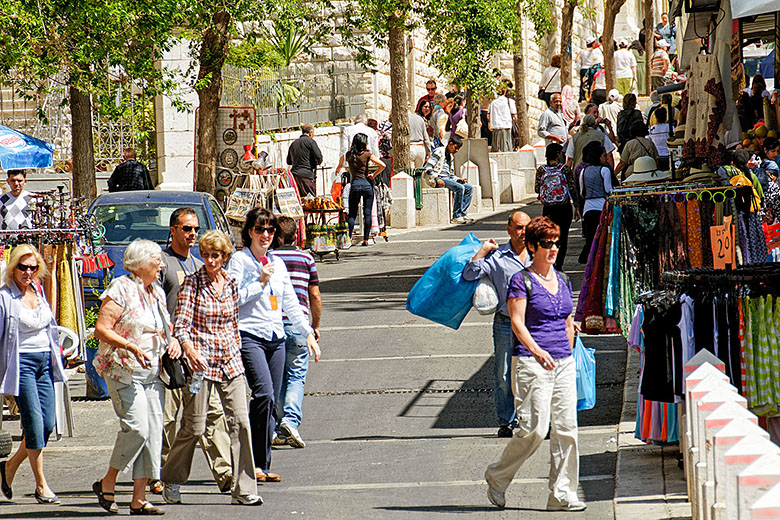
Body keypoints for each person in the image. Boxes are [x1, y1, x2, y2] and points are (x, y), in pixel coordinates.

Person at [484, 216, 585, 512]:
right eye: (545, 244)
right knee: (535, 430)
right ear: (531, 246)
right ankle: (498, 477)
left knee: (567, 429)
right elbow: (516, 322)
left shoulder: (563, 279)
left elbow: (567, 318)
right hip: (531, 362)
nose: (552, 249)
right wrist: (538, 351)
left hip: (563, 362)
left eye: (555, 243)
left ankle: (561, 493)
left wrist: (568, 346)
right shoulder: (521, 280)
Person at [161, 231, 262, 506]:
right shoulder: (192, 284)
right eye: (205, 255)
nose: (209, 260)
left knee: (241, 423)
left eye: (215, 255)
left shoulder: (230, 284)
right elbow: (180, 325)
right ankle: (171, 477)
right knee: (193, 427)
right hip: (201, 365)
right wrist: (190, 351)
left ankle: (243, 489)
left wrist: (239, 354)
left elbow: (232, 324)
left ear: (225, 256)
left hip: (230, 362)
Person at [226, 208, 320, 484]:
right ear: (249, 232)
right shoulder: (240, 262)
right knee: (265, 395)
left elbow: (290, 302)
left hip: (276, 337)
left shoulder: (277, 263)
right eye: (259, 229)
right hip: (250, 335)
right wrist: (259, 282)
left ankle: (261, 465)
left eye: (270, 230)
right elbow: (233, 299)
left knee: (271, 402)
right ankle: (251, 461)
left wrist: (308, 333)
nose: (265, 235)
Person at [93, 239, 180, 515]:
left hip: (154, 372)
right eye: (157, 260)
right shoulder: (121, 288)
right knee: (138, 428)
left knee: (153, 433)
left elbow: (162, 327)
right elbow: (101, 329)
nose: (162, 265)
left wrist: (172, 341)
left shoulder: (155, 290)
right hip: (125, 370)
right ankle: (108, 480)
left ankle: (138, 498)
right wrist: (130, 345)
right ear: (141, 263)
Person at [158, 207, 232, 496]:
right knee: (168, 418)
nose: (192, 234)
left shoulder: (199, 265)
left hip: (199, 356)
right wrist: (168, 339)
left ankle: (224, 473)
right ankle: (162, 474)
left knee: (211, 414)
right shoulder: (164, 263)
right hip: (171, 354)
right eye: (186, 228)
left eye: (195, 229)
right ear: (173, 229)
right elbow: (156, 305)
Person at [0, 245, 65, 505]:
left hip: (44, 363)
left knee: (48, 425)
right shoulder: (5, 297)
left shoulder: (38, 290)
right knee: (35, 425)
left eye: (33, 267)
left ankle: (8, 468)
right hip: (21, 364)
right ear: (13, 268)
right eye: (22, 267)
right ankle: (41, 485)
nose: (28, 272)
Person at [463, 211, 532, 438]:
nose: (523, 232)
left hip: (535, 324)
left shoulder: (538, 253)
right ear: (509, 230)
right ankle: (507, 421)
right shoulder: (497, 257)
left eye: (526, 227)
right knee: (504, 374)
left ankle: (538, 420)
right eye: (519, 228)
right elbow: (470, 273)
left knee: (536, 372)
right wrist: (482, 251)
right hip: (505, 323)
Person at [270, 217, 321, 448]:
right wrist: (315, 325)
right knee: (296, 376)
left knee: (277, 378)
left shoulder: (269, 259)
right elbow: (315, 295)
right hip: (299, 325)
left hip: (273, 325)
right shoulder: (306, 258)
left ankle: (276, 424)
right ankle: (290, 420)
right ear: (296, 234)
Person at [536, 143, 580, 270]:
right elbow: (572, 189)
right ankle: (559, 265)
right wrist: (577, 207)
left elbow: (536, 188)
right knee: (563, 236)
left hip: (548, 208)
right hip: (564, 208)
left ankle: (550, 262)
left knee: (549, 234)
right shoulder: (565, 169)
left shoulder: (541, 170)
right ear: (557, 154)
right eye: (561, 152)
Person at [345, 133, 385, 246]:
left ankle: (348, 239)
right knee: (367, 213)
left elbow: (341, 165)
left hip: (355, 185)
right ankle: (366, 240)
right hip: (367, 185)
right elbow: (383, 165)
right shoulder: (367, 155)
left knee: (352, 214)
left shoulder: (349, 155)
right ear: (364, 143)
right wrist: (374, 174)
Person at [423, 135, 474, 224]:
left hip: (447, 179)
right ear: (450, 144)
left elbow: (451, 174)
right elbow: (428, 167)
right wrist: (436, 179)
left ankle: (462, 212)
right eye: (455, 147)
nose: (456, 150)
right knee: (460, 188)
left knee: (469, 188)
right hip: (438, 179)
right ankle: (456, 216)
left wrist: (458, 180)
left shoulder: (451, 157)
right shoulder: (439, 151)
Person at [578, 142, 614, 264]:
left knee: (590, 236)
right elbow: (608, 190)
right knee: (602, 236)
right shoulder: (604, 170)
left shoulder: (584, 171)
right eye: (604, 155)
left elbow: (582, 192)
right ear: (599, 157)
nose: (606, 158)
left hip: (588, 208)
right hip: (601, 206)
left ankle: (588, 258)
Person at [286, 124, 323, 197]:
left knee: (299, 198)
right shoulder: (310, 142)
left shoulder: (293, 143)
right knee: (310, 199)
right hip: (306, 175)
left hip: (294, 176)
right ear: (311, 133)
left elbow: (288, 161)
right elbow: (319, 157)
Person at [488, 87, 517, 152]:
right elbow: (514, 115)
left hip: (496, 126)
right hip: (507, 125)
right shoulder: (510, 101)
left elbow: (488, 115)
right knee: (507, 144)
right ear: (505, 92)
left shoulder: (493, 103)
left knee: (497, 146)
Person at [577, 37, 604, 102]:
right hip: (592, 68)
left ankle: (582, 97)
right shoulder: (595, 51)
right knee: (593, 82)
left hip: (583, 68)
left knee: (583, 83)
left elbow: (576, 59)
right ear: (592, 43)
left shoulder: (582, 51)